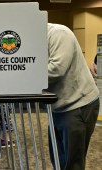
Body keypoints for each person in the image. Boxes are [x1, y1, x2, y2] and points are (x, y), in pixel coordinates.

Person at [47, 23, 100, 170]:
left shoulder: (58, 34)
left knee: (72, 163)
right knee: (58, 158)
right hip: (58, 106)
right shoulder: (34, 41)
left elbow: (56, 69)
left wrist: (21, 77)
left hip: (78, 104)